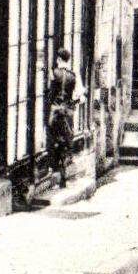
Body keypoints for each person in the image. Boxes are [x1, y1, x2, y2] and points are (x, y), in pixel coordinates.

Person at [46, 48, 82, 187]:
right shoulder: (73, 76)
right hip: (67, 112)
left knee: (53, 139)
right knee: (65, 141)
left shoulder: (53, 73)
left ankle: (53, 170)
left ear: (59, 59)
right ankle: (63, 174)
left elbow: (50, 94)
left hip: (55, 111)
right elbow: (78, 96)